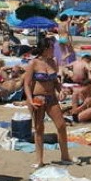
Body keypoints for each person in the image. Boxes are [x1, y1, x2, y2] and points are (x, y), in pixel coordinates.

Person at [23, 37, 72, 168]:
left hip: (52, 98)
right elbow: (27, 84)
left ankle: (65, 156)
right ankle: (39, 160)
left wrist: (61, 90)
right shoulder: (33, 63)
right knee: (39, 129)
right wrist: (29, 99)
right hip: (37, 99)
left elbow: (55, 81)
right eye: (51, 47)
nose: (53, 50)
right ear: (45, 49)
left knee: (61, 125)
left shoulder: (53, 62)